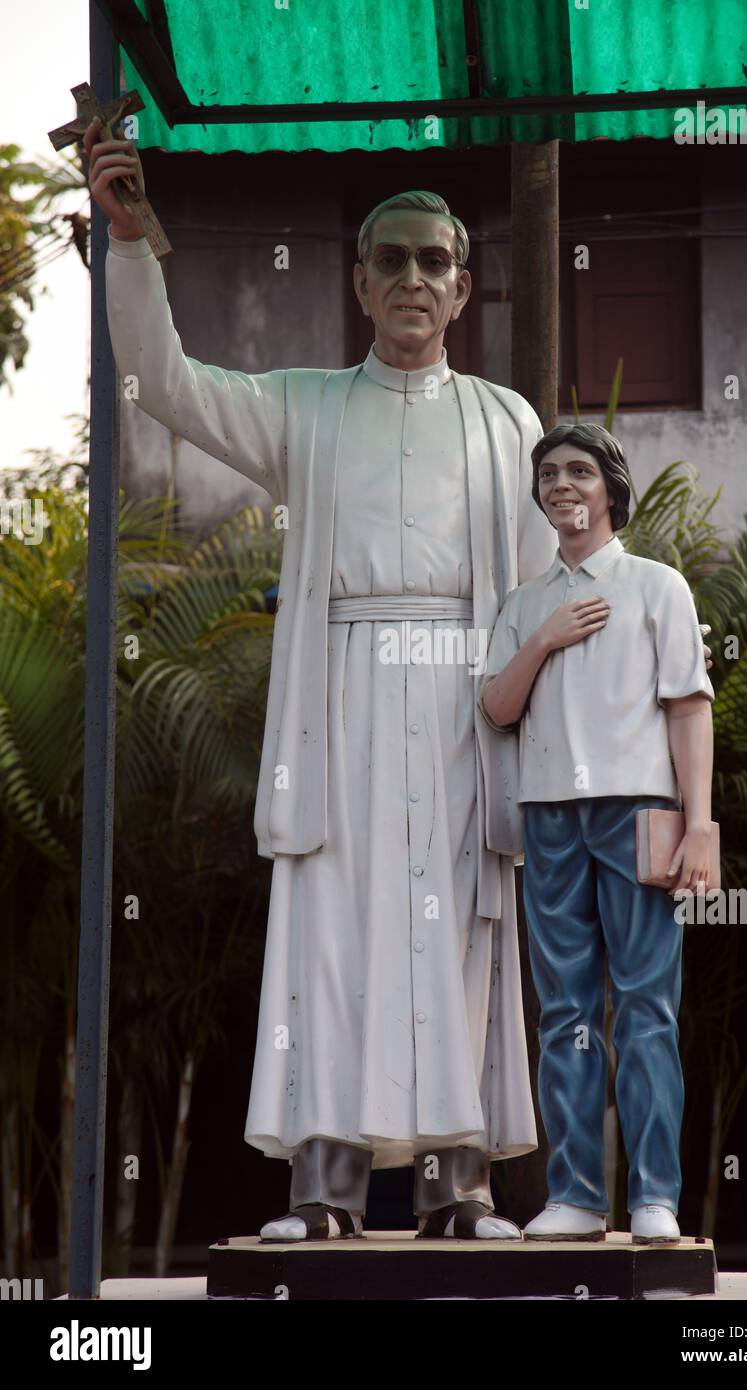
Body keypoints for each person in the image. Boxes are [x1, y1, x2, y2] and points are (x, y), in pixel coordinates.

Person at [84, 119, 559, 1241]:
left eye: (431, 259)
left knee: (459, 931)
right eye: (387, 258)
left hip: (461, 692)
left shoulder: (509, 423)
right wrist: (132, 242)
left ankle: (462, 1188)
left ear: (460, 286)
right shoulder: (301, 406)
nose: (409, 277)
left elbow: (543, 601)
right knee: (333, 928)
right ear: (355, 280)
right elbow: (162, 382)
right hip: (337, 695)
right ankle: (323, 1190)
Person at [479, 423, 714, 1243]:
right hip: (550, 820)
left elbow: (688, 707)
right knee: (565, 1011)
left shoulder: (658, 587)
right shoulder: (524, 604)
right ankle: (575, 1195)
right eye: (548, 474)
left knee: (647, 1006)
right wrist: (545, 638)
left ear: (612, 488)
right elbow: (498, 708)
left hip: (640, 812)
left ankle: (655, 1196)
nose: (561, 484)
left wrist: (702, 824)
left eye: (579, 470)